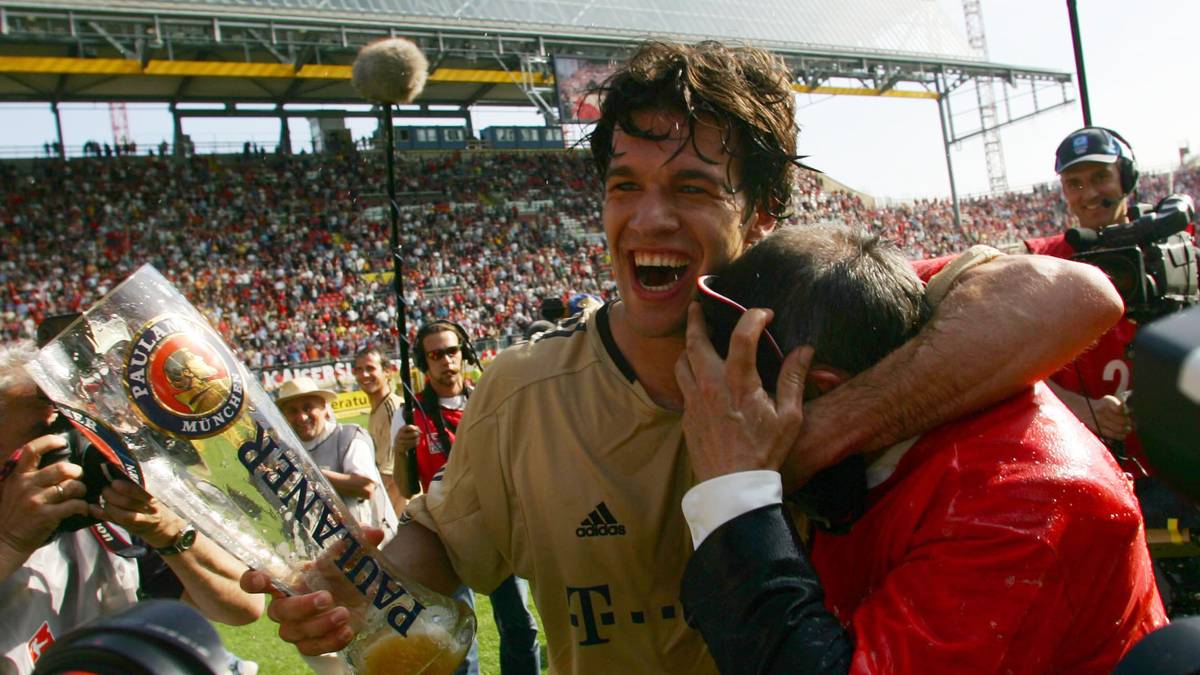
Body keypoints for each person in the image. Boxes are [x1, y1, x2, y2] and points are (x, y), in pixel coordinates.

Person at [244, 40, 1123, 673]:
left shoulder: (848, 321)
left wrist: (818, 432)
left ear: (768, 209)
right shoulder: (523, 390)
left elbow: (1075, 297)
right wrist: (356, 582)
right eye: (625, 185)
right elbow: (445, 539)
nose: (649, 218)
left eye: (693, 188)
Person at [675, 224, 1165, 674]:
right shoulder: (865, 307)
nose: (715, 417)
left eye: (737, 398)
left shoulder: (1016, 505)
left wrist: (735, 497)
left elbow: (1080, 291)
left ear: (821, 388)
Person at [0, 340, 264, 674]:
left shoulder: (98, 512)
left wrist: (164, 528)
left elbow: (244, 606)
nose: (69, 446)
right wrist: (10, 542)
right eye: (46, 431)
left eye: (75, 425)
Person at [1024, 127, 1200, 613]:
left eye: (1100, 178)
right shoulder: (1044, 260)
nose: (1089, 195)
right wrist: (1077, 407)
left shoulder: (1177, 250)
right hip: (1091, 475)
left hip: (1174, 471)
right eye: (1075, 184)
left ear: (1126, 179)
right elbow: (1006, 364)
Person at [390, 321, 541, 675]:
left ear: (465, 353)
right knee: (456, 636)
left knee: (520, 625)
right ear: (424, 362)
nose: (447, 361)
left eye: (452, 351)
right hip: (442, 534)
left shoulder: (488, 400)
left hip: (496, 528)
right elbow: (407, 487)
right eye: (436, 354)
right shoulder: (410, 415)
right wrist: (401, 453)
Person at [275, 377, 396, 539]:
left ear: (324, 407)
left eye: (307, 408)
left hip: (375, 545)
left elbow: (365, 487)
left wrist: (306, 471)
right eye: (292, 411)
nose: (302, 417)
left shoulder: (349, 436)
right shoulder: (286, 451)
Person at [350, 345, 405, 515]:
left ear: (387, 372)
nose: (364, 375)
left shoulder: (393, 410)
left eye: (370, 368)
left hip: (400, 510)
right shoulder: (378, 409)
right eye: (359, 369)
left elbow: (391, 476)